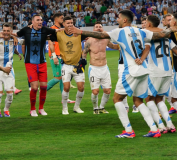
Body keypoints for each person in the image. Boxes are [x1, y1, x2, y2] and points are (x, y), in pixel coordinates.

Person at [69, 9, 177, 138]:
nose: (117, 20)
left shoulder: (119, 32)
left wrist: (79, 31)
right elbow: (161, 35)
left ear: (125, 20)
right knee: (138, 100)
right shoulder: (141, 31)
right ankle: (154, 129)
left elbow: (101, 35)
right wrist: (172, 29)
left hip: (131, 70)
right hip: (144, 69)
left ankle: (129, 130)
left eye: (119, 18)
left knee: (117, 99)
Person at [14, 14, 59, 117]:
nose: (40, 22)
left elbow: (57, 31)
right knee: (34, 87)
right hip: (30, 63)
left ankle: (41, 108)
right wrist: (11, 36)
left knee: (43, 87)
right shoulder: (26, 30)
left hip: (42, 62)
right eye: (38, 20)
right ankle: (32, 109)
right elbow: (16, 34)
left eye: (41, 20)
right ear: (32, 22)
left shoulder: (45, 30)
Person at [145, 15, 177, 133]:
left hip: (155, 71)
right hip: (168, 70)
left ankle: (161, 126)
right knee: (159, 99)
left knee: (149, 99)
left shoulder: (146, 33)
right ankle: (170, 125)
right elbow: (176, 51)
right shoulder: (166, 35)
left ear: (148, 24)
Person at [50, 16, 87, 115]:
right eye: (68, 23)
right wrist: (54, 56)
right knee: (66, 87)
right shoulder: (59, 34)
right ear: (63, 24)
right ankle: (65, 108)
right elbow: (49, 38)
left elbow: (89, 37)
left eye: (71, 23)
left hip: (78, 65)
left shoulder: (79, 32)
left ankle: (77, 107)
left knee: (81, 87)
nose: (70, 24)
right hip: (66, 65)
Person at [82, 23, 118, 114]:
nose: (98, 28)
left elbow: (113, 46)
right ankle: (95, 108)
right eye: (96, 27)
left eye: (100, 27)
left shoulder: (105, 39)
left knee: (107, 90)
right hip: (94, 69)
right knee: (95, 91)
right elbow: (85, 52)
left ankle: (102, 107)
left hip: (105, 68)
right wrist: (83, 61)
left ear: (103, 29)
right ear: (93, 29)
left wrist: (123, 46)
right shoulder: (89, 41)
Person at [0, 23, 23, 118]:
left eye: (8, 31)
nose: (6, 33)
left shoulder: (14, 41)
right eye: (4, 30)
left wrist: (17, 52)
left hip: (9, 70)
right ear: (2, 31)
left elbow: (23, 42)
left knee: (10, 94)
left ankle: (6, 110)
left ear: (11, 32)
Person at [47, 13, 75, 103]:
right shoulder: (51, 29)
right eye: (61, 18)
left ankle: (65, 99)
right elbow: (50, 44)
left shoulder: (61, 30)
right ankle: (41, 91)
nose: (63, 20)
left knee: (64, 78)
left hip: (63, 57)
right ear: (56, 19)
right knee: (58, 77)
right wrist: (54, 56)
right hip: (55, 56)